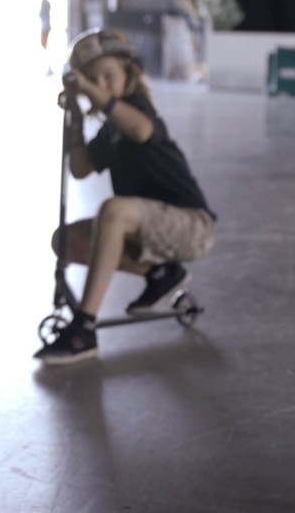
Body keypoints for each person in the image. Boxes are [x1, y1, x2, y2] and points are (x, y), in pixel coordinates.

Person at [34, 29, 216, 366]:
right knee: (65, 241)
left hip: (192, 226)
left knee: (113, 211)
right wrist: (76, 120)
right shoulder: (110, 130)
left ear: (128, 73)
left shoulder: (138, 109)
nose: (100, 84)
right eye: (92, 79)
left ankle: (84, 327)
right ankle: (160, 273)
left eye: (108, 76)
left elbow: (141, 131)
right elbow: (80, 168)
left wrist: (89, 90)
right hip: (148, 226)